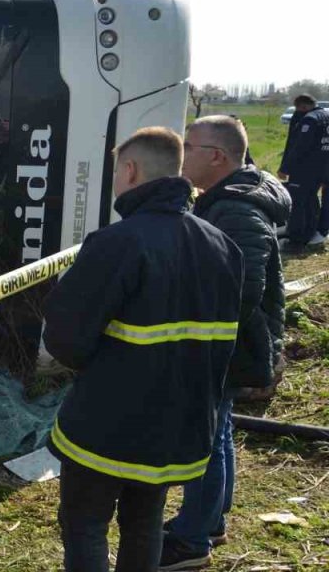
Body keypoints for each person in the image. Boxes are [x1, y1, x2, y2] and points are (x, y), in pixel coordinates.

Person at [43, 127, 243, 571]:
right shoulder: (221, 245)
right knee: (144, 524)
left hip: (107, 425)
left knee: (85, 524)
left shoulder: (117, 243)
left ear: (130, 171)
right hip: (178, 425)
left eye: (118, 170)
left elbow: (65, 338)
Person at [159, 116, 291, 570]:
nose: (182, 155)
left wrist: (198, 335)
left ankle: (191, 540)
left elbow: (241, 288)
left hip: (229, 344)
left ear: (217, 156)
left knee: (206, 438)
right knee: (219, 430)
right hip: (233, 341)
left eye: (189, 146)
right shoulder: (226, 199)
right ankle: (209, 520)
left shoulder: (236, 208)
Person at [277, 95, 329, 249]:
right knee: (313, 200)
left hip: (305, 169)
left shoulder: (310, 120)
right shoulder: (326, 115)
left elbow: (299, 148)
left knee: (299, 202)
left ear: (303, 106)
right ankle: (312, 231)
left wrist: (285, 168)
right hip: (323, 167)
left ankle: (297, 238)